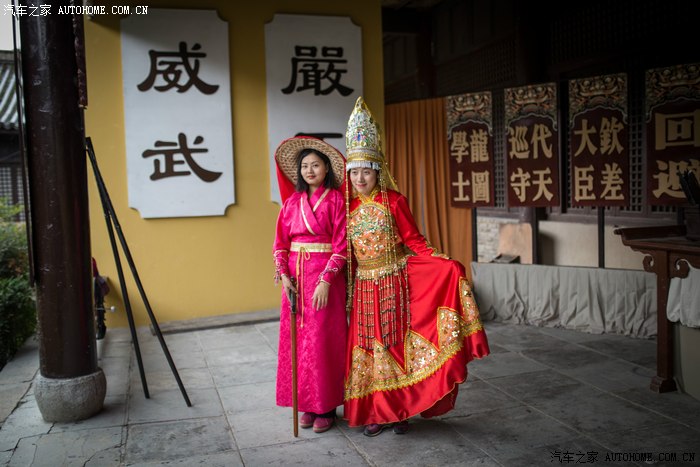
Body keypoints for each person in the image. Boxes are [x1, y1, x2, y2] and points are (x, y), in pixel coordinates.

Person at [343, 97, 490, 436]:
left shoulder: (395, 201)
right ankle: (375, 412)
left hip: (393, 282)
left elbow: (414, 239)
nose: (360, 178)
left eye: (366, 171)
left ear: (378, 171)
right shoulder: (345, 207)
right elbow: (344, 252)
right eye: (355, 171)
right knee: (368, 347)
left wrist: (442, 263)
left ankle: (400, 410)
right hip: (363, 287)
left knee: (395, 343)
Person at [272, 136, 348, 434]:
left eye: (315, 165)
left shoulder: (337, 201)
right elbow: (280, 244)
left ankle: (326, 406)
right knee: (298, 342)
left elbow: (342, 247)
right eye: (305, 166)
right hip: (295, 281)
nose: (310, 170)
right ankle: (306, 403)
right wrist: (283, 275)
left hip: (324, 280)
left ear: (326, 168)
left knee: (322, 342)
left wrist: (326, 281)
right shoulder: (291, 203)